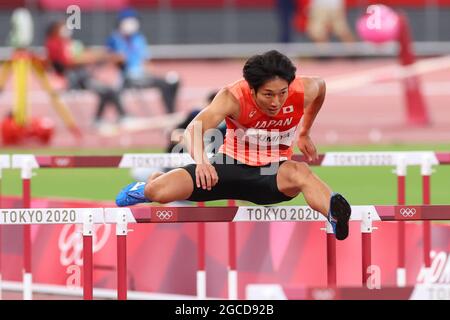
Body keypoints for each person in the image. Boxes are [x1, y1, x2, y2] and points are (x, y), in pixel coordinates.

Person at [116, 50, 352, 240]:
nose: (276, 102)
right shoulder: (233, 96)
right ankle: (146, 187)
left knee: (300, 171)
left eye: (282, 93)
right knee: (160, 192)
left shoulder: (304, 89)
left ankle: (334, 214)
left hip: (271, 174)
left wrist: (305, 132)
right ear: (252, 89)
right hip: (226, 168)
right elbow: (193, 130)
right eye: (268, 94)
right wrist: (202, 162)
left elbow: (321, 87)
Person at [45, 20, 127, 126]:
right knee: (106, 90)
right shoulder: (54, 44)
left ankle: (109, 117)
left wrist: (103, 56)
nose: (65, 30)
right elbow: (70, 61)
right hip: (72, 79)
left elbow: (83, 54)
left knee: (108, 90)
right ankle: (114, 117)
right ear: (54, 30)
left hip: (81, 76)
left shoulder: (68, 43)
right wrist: (91, 59)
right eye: (61, 28)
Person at [106, 8, 180, 114]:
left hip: (142, 76)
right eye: (129, 21)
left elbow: (145, 60)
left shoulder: (139, 38)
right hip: (128, 78)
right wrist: (119, 59)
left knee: (173, 82)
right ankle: (122, 115)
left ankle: (171, 113)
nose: (132, 24)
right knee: (164, 84)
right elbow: (111, 58)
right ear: (121, 23)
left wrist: (150, 72)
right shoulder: (114, 39)